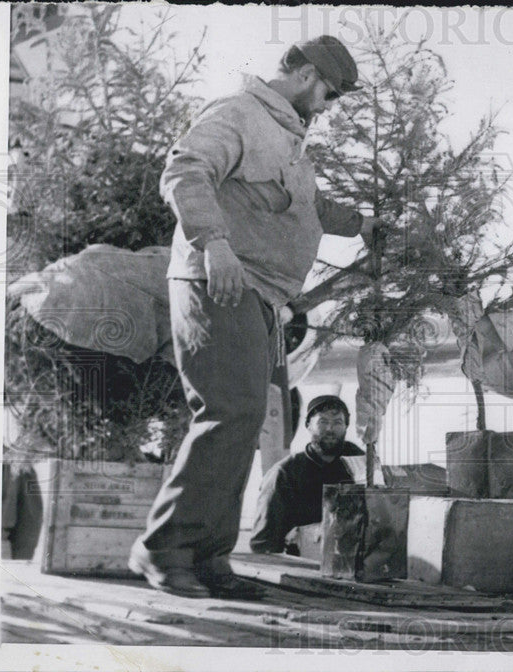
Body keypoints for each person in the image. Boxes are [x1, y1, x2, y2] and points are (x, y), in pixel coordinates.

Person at [129, 35, 383, 599]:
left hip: (259, 296)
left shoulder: (290, 139)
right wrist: (213, 244)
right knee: (229, 411)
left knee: (245, 421)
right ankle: (162, 548)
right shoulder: (239, 113)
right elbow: (185, 169)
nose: (329, 105)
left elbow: (307, 208)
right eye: (331, 93)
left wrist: (362, 224)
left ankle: (210, 558)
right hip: (219, 281)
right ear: (306, 73)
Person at [250, 395, 363, 554]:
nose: (330, 429)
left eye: (337, 422)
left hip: (353, 560)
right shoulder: (284, 473)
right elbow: (263, 542)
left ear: (346, 427)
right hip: (302, 563)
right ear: (308, 425)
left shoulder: (359, 463)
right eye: (322, 422)